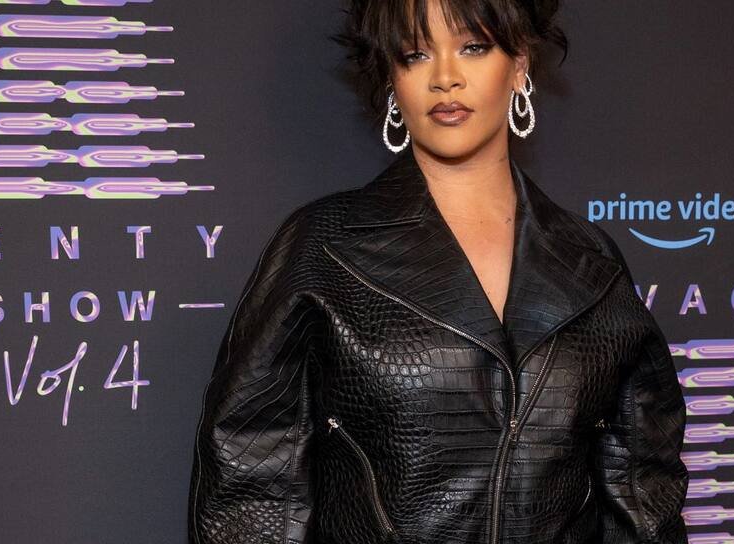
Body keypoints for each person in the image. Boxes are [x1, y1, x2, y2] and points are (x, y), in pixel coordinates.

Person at [187, 0, 690, 542]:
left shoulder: (592, 263)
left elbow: (643, 498)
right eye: (415, 54)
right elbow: (249, 490)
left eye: (473, 47)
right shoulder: (323, 246)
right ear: (391, 79)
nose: (445, 77)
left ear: (519, 63)